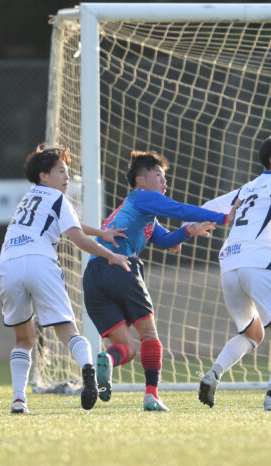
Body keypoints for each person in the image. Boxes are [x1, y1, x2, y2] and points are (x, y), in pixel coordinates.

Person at [83, 150, 237, 411]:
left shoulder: (140, 212)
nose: (165, 181)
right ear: (141, 181)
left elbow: (166, 241)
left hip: (93, 275)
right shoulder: (143, 197)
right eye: (158, 175)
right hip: (120, 266)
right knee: (149, 335)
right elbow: (179, 209)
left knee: (126, 347)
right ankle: (151, 396)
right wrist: (223, 217)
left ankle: (107, 361)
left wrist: (188, 231)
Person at [0, 144, 131, 414]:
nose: (67, 177)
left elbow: (70, 225)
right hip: (40, 262)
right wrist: (110, 255)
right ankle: (88, 370)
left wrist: (101, 233)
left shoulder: (28, 199)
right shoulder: (58, 199)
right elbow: (77, 237)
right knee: (67, 331)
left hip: (8, 264)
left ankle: (19, 400)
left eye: (67, 172)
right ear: (43, 175)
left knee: (23, 340)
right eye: (61, 171)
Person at [196, 133, 271, 411]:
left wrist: (188, 230)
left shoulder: (247, 188)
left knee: (253, 333)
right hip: (260, 262)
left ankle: (213, 373)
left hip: (229, 265)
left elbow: (206, 208)